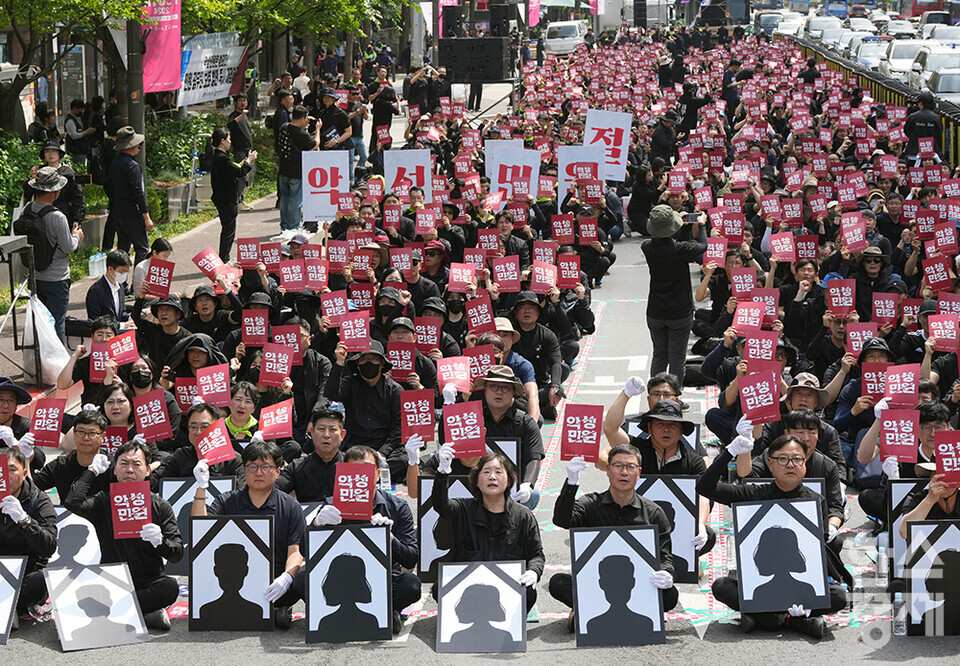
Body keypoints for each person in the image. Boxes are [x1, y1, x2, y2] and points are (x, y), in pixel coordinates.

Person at [698, 432, 851, 638]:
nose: (790, 464)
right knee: (721, 586)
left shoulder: (815, 501)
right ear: (770, 464)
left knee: (839, 595)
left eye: (797, 459)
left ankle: (765, 618)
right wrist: (730, 452)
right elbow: (704, 487)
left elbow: (814, 555)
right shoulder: (751, 494)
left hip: (799, 591)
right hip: (761, 589)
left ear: (805, 463)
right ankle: (796, 621)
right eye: (782, 459)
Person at [549, 444, 678, 631]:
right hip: (597, 583)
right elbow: (562, 519)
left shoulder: (654, 513)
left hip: (635, 585)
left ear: (639, 472)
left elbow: (666, 557)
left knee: (670, 595)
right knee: (558, 583)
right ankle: (590, 608)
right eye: (618, 466)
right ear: (608, 470)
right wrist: (571, 481)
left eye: (630, 467)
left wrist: (667, 574)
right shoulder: (590, 504)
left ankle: (585, 609)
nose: (624, 472)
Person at [65, 440, 183, 630]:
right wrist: (92, 471)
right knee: (79, 588)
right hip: (112, 579)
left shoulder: (160, 505)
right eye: (123, 463)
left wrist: (160, 542)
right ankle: (146, 614)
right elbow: (73, 502)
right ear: (114, 469)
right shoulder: (103, 501)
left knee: (169, 587)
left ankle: (120, 611)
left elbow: (177, 553)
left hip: (149, 581)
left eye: (136, 464)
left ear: (147, 470)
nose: (129, 470)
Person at [192, 439, 306, 629]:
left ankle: (278, 606)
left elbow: (295, 551)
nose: (259, 472)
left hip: (274, 582)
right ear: (244, 470)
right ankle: (272, 613)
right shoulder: (226, 501)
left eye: (266, 467)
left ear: (278, 471)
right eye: (252, 467)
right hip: (233, 578)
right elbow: (200, 531)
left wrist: (286, 577)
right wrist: (201, 488)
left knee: (299, 581)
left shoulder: (290, 506)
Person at [312, 445, 421, 633]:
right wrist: (316, 525)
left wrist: (390, 538)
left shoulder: (397, 506)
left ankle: (387, 608)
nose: (360, 475)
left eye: (366, 469)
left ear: (378, 474)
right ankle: (384, 610)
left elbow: (411, 558)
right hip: (339, 578)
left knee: (411, 585)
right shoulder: (331, 505)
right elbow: (306, 552)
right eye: (353, 469)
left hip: (385, 577)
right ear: (343, 474)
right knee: (300, 582)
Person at [430, 450, 544, 611]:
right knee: (438, 588)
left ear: (509, 480)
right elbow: (440, 505)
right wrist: (442, 472)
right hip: (469, 585)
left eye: (498, 472)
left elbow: (536, 554)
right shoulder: (463, 509)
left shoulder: (523, 515)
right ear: (476, 481)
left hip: (506, 584)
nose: (492, 477)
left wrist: (533, 571)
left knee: (529, 592)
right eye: (486, 472)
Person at [641, 204, 706, 383]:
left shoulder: (646, 247)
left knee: (659, 356)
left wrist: (676, 225)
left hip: (655, 311)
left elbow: (667, 240)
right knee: (677, 357)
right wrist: (700, 225)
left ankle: (655, 393)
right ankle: (674, 396)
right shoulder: (681, 250)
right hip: (679, 312)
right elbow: (703, 245)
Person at [323, 340, 404, 478]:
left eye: (373, 359)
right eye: (364, 359)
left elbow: (399, 428)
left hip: (384, 445)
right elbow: (331, 393)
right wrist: (339, 363)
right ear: (358, 365)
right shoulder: (350, 382)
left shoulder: (394, 390)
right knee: (332, 460)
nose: (368, 363)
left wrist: (382, 453)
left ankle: (366, 474)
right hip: (355, 445)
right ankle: (365, 472)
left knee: (403, 461)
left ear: (382, 364)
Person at [0, 447, 57, 629]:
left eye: (12, 469)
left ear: (24, 473)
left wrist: (24, 520)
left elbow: (49, 546)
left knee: (40, 582)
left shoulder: (38, 500)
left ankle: (10, 608)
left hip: (25, 573)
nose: (6, 475)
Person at [25, 166, 82, 343]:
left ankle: (40, 361)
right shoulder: (57, 217)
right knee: (57, 323)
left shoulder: (28, 210)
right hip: (57, 277)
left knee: (40, 322)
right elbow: (68, 247)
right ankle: (57, 366)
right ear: (56, 191)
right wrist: (77, 236)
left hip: (36, 276)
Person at [275, 405, 344, 501]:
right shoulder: (297, 467)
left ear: (342, 435)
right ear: (312, 432)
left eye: (332, 430)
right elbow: (273, 491)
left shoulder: (352, 465)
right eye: (321, 429)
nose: (326, 435)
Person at [210, 127, 257, 262]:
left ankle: (224, 257)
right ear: (223, 141)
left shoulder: (219, 157)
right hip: (226, 198)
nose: (230, 142)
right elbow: (239, 172)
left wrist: (245, 161)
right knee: (228, 231)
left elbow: (233, 169)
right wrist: (248, 162)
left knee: (228, 230)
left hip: (223, 197)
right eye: (229, 139)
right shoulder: (222, 158)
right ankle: (224, 259)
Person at [108, 126, 153, 265]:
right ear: (132, 145)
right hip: (132, 213)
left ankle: (120, 284)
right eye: (138, 145)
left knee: (123, 249)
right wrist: (146, 217)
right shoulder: (132, 166)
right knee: (142, 249)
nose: (139, 148)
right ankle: (138, 284)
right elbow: (138, 193)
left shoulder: (114, 164)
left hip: (117, 211)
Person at [23, 139, 85, 229]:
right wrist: (32, 178)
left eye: (53, 151)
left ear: (59, 154)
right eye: (47, 151)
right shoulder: (39, 172)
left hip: (63, 212)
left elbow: (78, 197)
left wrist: (77, 219)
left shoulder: (69, 173)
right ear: (44, 154)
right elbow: (28, 194)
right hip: (40, 214)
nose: (50, 154)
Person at [277, 106, 320, 232]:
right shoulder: (300, 134)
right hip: (297, 172)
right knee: (295, 200)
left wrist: (305, 122)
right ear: (302, 118)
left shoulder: (284, 127)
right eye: (306, 118)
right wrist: (317, 129)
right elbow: (315, 144)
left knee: (284, 199)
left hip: (283, 170)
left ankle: (284, 225)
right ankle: (293, 226)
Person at [85, 249, 132, 322]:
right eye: (122, 272)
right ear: (110, 269)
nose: (124, 275)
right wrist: (120, 325)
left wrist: (130, 319)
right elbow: (95, 319)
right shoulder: (96, 291)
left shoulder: (120, 287)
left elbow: (121, 313)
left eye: (127, 272)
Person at [227, 94, 254, 208]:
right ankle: (238, 201)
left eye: (245, 100)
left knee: (245, 177)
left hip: (247, 149)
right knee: (241, 176)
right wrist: (241, 115)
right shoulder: (234, 115)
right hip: (240, 150)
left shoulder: (245, 115)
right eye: (241, 101)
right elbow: (230, 125)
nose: (243, 103)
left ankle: (241, 199)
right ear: (236, 103)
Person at [64, 98, 96, 166]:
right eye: (80, 109)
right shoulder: (70, 120)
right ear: (75, 108)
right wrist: (86, 132)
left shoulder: (76, 118)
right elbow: (74, 135)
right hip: (76, 151)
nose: (82, 111)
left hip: (81, 150)